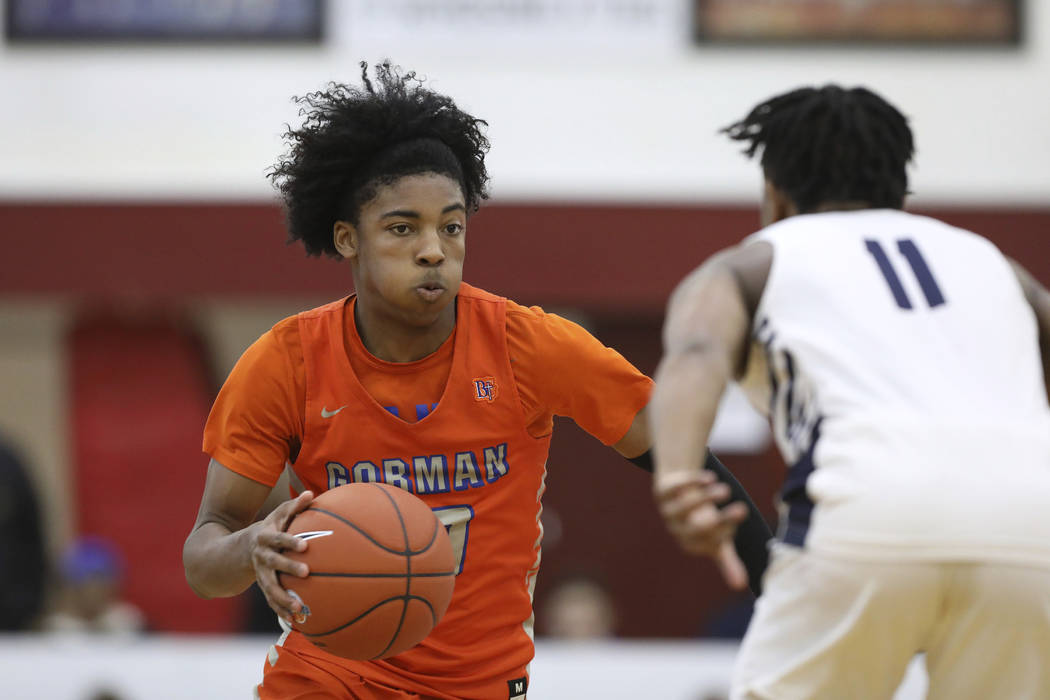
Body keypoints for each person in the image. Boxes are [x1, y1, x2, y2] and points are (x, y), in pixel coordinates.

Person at [182, 62, 771, 699]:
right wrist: (253, 549)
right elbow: (204, 555)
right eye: (403, 228)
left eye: (452, 226)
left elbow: (680, 453)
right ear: (348, 238)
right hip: (329, 675)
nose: (434, 248)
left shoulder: (528, 345)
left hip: (479, 683)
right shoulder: (287, 361)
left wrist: (776, 578)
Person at [650, 84, 1050, 699]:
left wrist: (677, 475)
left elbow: (698, 350)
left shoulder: (753, 262)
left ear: (775, 194)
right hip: (1031, 529)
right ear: (899, 191)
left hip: (865, 511)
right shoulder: (995, 263)